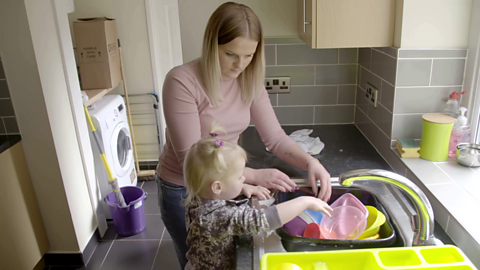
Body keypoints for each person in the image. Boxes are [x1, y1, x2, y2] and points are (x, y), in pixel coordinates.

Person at [156, 2, 332, 268]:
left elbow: (275, 138)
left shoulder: (249, 80)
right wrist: (252, 176)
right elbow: (191, 158)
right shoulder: (181, 82)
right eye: (230, 54)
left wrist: (311, 163)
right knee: (197, 260)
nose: (240, 64)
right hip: (184, 188)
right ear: (211, 44)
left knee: (227, 257)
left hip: (226, 181)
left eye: (249, 55)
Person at [183, 129, 333, 270]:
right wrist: (304, 202)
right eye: (239, 177)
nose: (244, 178)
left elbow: (220, 192)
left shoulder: (200, 196)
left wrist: (242, 187)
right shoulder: (216, 217)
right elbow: (264, 219)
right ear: (217, 187)